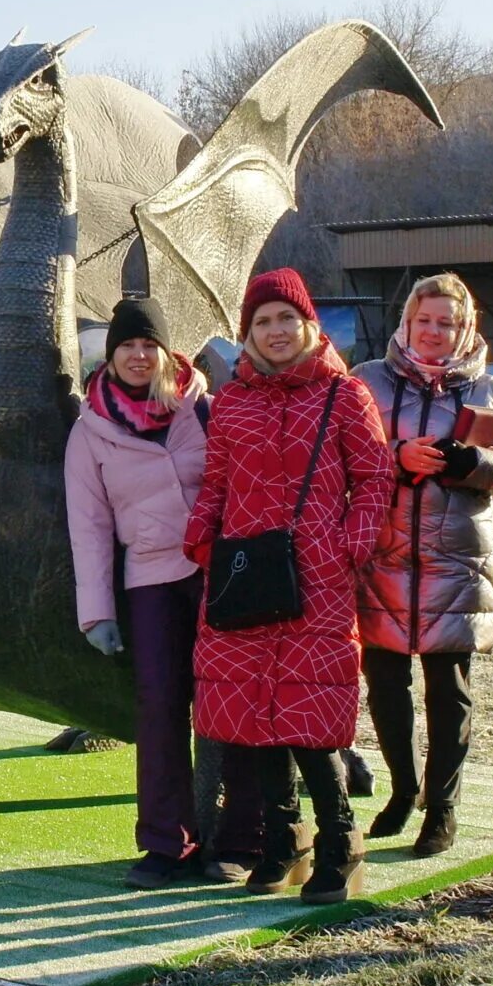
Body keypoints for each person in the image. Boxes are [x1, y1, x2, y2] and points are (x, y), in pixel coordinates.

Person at [184, 269, 391, 904]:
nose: (275, 332)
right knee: (252, 716)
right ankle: (284, 836)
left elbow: (375, 479)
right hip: (244, 576)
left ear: (309, 325)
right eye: (262, 322)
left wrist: (345, 548)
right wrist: (203, 541)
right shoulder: (233, 404)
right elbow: (215, 484)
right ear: (247, 333)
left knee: (308, 716)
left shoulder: (345, 395)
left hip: (317, 578)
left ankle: (340, 841)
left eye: (285, 319)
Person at [353, 273, 493, 856]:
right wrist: (395, 458)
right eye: (425, 320)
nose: (435, 332)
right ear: (406, 323)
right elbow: (336, 460)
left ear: (466, 329)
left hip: (456, 561)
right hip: (381, 556)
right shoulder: (365, 383)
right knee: (384, 686)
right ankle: (403, 791)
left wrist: (473, 462)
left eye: (448, 323)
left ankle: (443, 807)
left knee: (448, 691)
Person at [66, 296, 246, 889]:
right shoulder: (90, 431)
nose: (139, 355)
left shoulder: (206, 410)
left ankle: (238, 838)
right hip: (149, 582)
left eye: (149, 344)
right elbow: (88, 526)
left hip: (218, 575)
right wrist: (96, 613)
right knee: (160, 710)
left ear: (168, 351)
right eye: (127, 346)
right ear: (112, 356)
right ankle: (167, 842)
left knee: (230, 708)